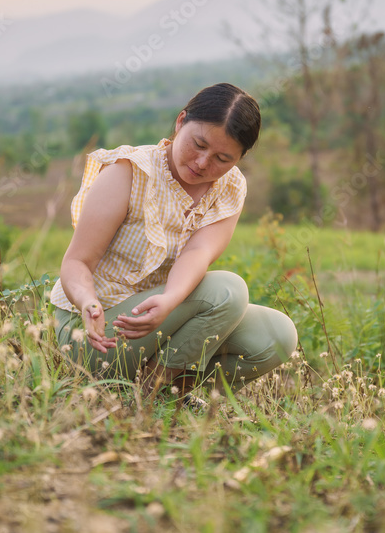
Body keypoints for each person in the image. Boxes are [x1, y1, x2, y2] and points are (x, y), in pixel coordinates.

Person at [50, 82, 298, 402]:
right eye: (198, 144)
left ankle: (162, 393)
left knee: (278, 335)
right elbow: (76, 262)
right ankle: (148, 396)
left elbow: (198, 252)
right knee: (228, 291)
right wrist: (88, 302)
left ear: (239, 158)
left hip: (163, 319)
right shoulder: (129, 172)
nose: (203, 163)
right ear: (181, 121)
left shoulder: (230, 187)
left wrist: (169, 301)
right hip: (96, 334)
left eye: (222, 158)